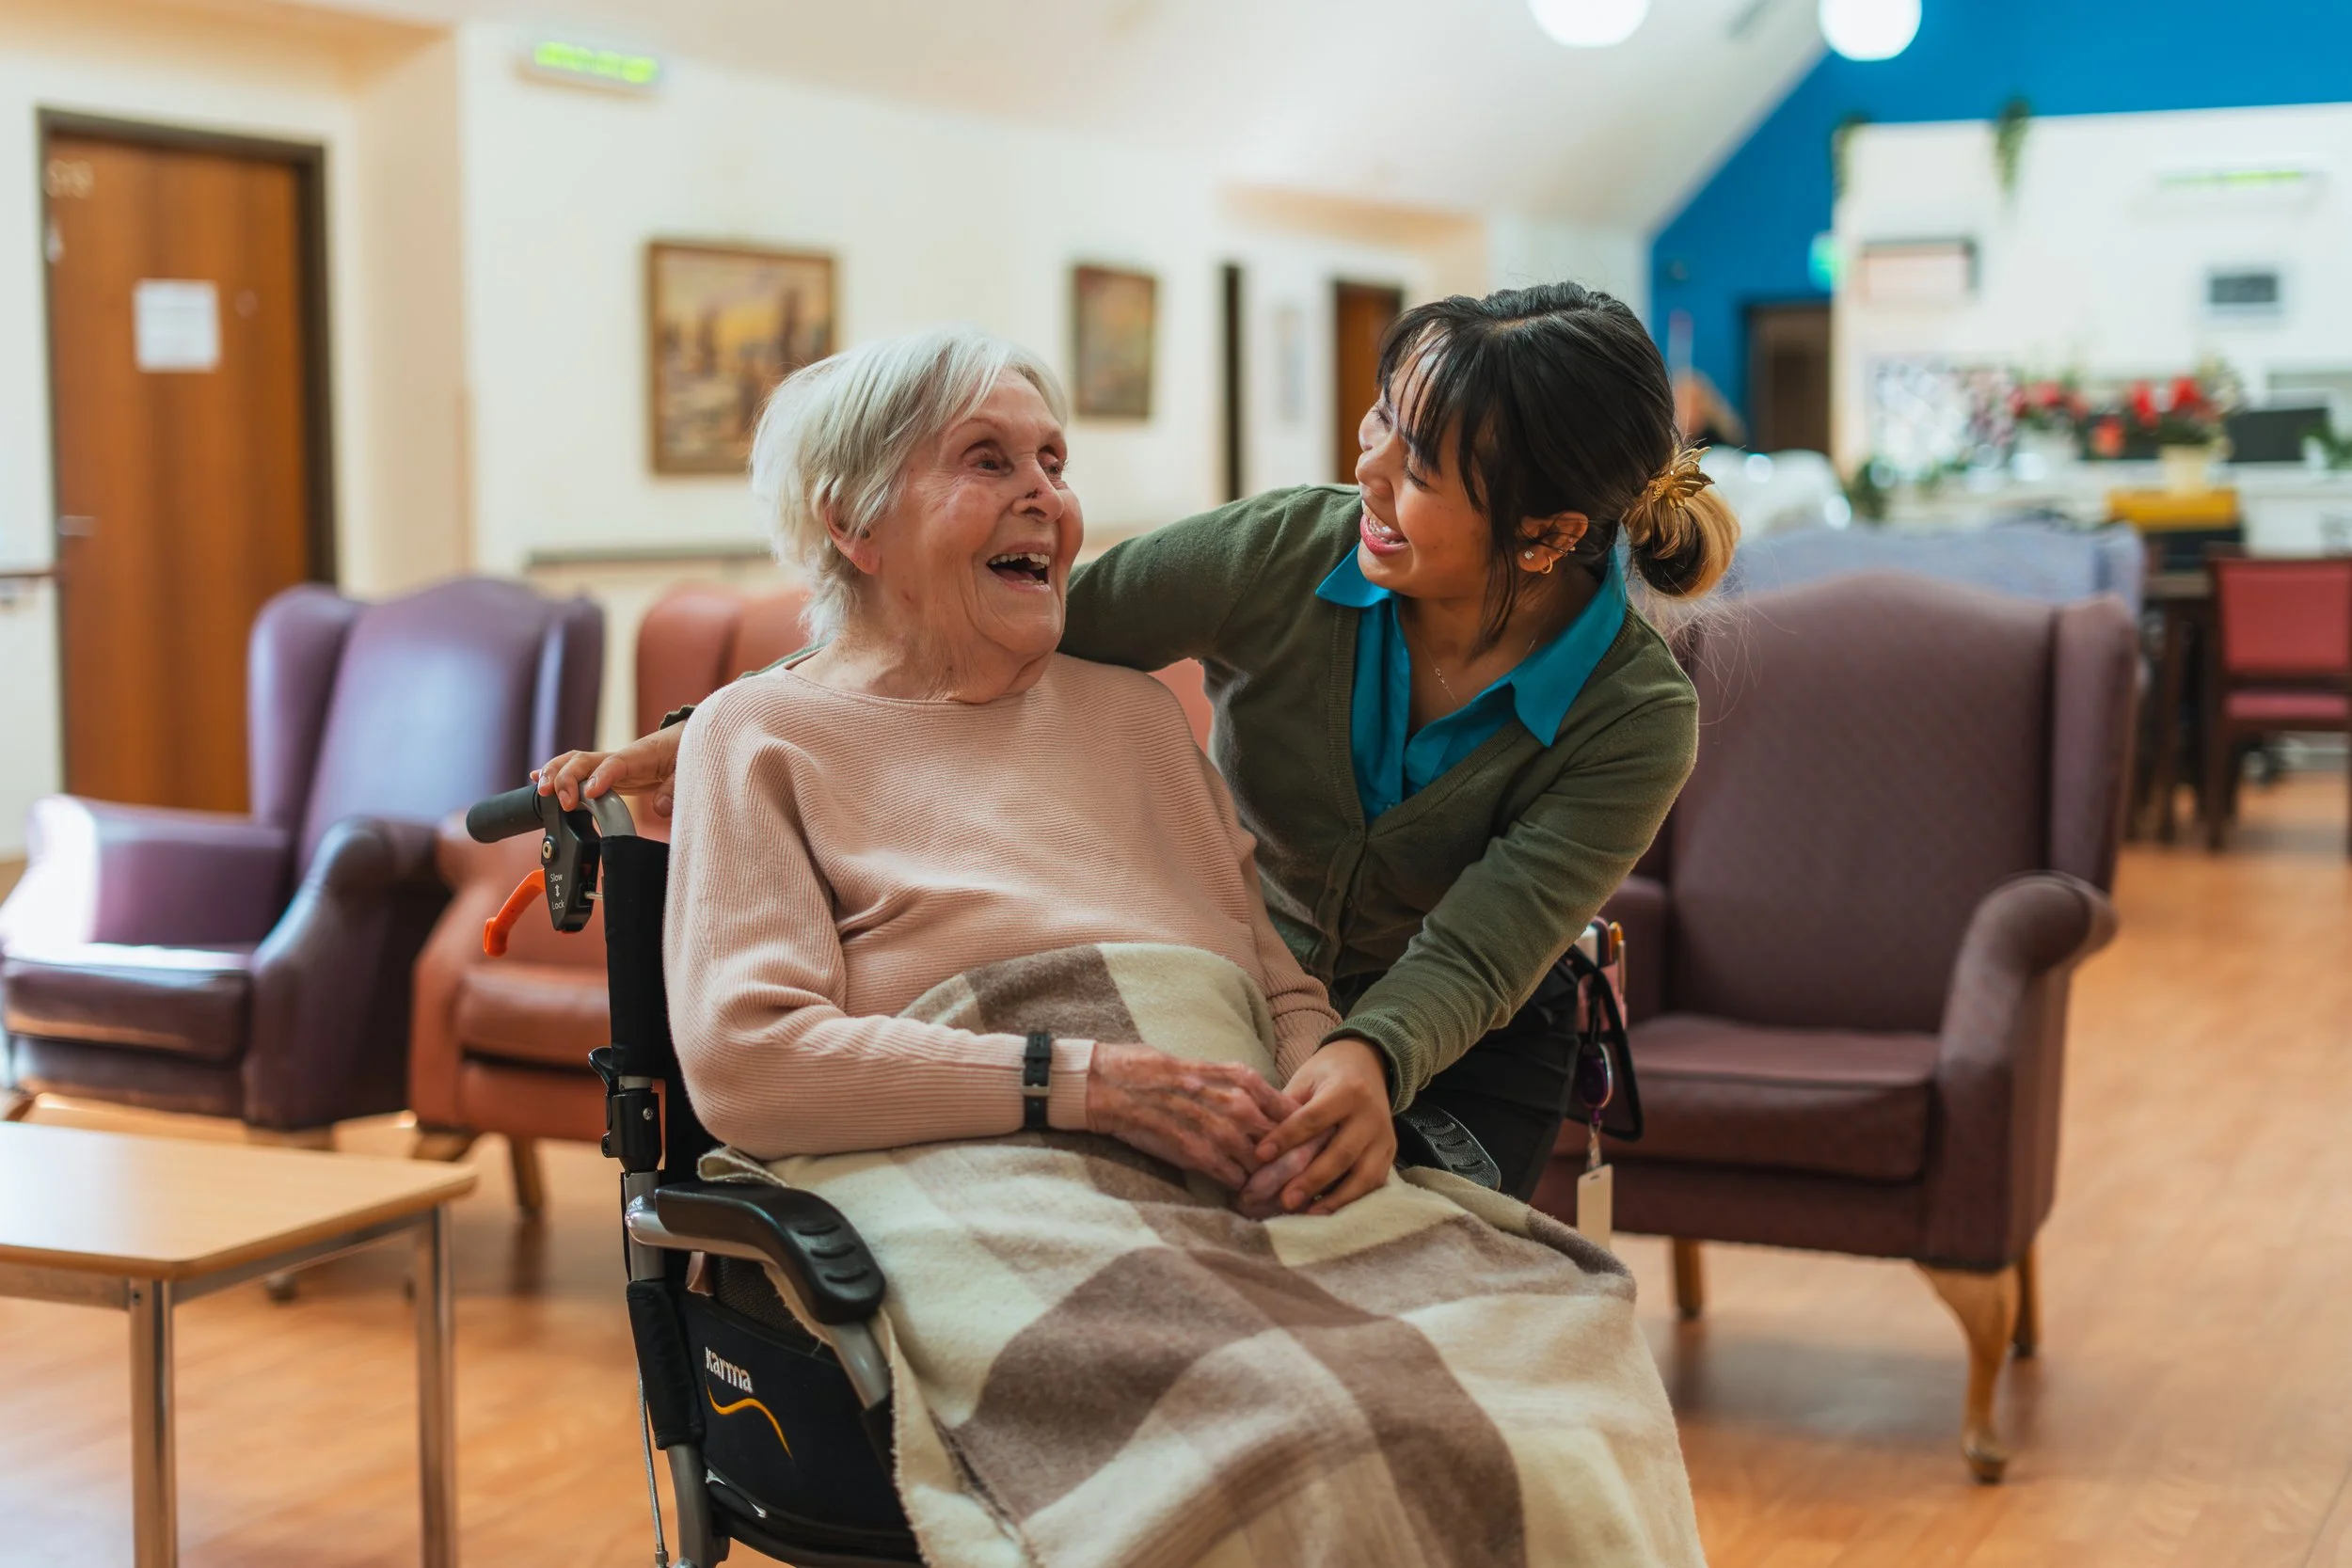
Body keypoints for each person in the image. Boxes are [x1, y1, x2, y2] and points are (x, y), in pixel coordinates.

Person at [545, 282, 1737, 1212]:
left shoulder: (1632, 717)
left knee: (1394, 1280)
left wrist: (1359, 1055)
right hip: (1249, 1006)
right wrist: (728, 726)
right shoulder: (1285, 553)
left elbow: (1477, 953)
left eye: (1418, 465)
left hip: (1451, 1034)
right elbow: (966, 634)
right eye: (1382, 417)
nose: (1365, 469)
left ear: (1547, 535)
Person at [667, 327, 1338, 1212]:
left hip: (1253, 1174)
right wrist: (1087, 1084)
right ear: (854, 522)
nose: (1045, 496)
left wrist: (1324, 1112)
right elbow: (748, 1064)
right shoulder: (758, 736)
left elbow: (1282, 996)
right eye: (986, 461)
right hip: (986, 1187)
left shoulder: (1139, 716)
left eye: (1054, 463)